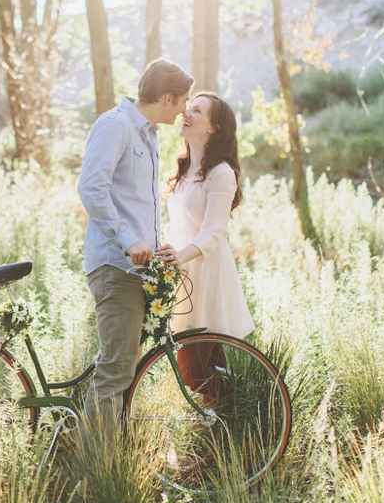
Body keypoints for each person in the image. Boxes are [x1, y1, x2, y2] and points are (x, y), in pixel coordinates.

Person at [77, 58, 194, 437]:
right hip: (115, 267)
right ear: (167, 97)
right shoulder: (115, 126)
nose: (184, 110)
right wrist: (129, 242)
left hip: (137, 268)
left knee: (123, 367)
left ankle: (112, 456)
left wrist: (154, 247)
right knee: (114, 370)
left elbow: (134, 202)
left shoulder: (147, 133)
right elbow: (91, 188)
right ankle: (97, 473)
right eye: (182, 102)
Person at [155, 92, 254, 403]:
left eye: (197, 111)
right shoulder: (184, 170)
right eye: (189, 107)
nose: (186, 112)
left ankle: (257, 403)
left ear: (214, 128)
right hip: (183, 270)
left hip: (206, 270)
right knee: (204, 363)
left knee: (194, 369)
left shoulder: (221, 173)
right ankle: (231, 424)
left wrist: (180, 256)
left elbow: (213, 232)